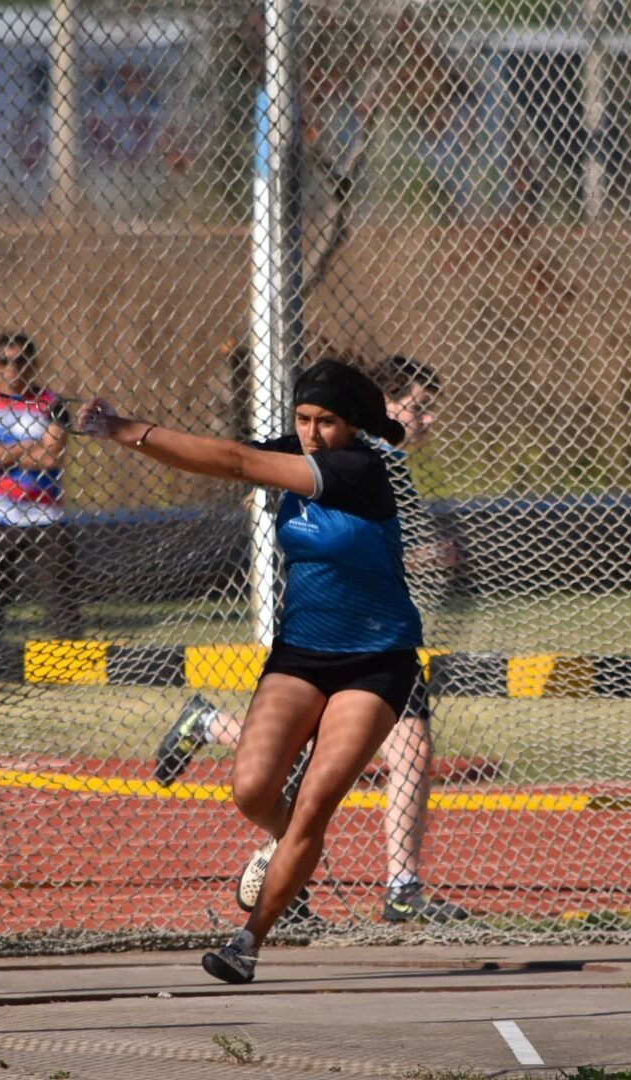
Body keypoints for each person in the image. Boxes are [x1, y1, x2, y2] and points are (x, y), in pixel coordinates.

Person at [78, 358, 424, 984]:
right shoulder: (297, 448)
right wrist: (121, 434)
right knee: (253, 788)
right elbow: (220, 455)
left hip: (377, 660)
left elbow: (237, 463)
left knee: (316, 801)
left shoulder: (359, 468)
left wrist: (125, 427)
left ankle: (248, 941)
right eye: (303, 419)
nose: (312, 433)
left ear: (352, 427)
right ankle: (290, 847)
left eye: (326, 422)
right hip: (302, 653)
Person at [154, 355, 469, 925]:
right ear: (377, 408)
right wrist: (131, 433)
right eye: (415, 407)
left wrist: (421, 557)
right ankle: (309, 856)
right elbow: (239, 462)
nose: (424, 420)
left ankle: (393, 881)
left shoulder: (386, 465)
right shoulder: (360, 460)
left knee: (405, 752)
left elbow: (374, 544)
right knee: (307, 767)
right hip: (327, 639)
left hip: (382, 641)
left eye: (429, 409)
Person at [0, 331, 81, 641]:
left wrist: (1, 455)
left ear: (32, 364)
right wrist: (27, 446)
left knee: (61, 600)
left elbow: (51, 457)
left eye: (19, 361)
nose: (12, 368)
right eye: (4, 361)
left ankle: (69, 659)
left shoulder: (51, 405)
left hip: (45, 514)